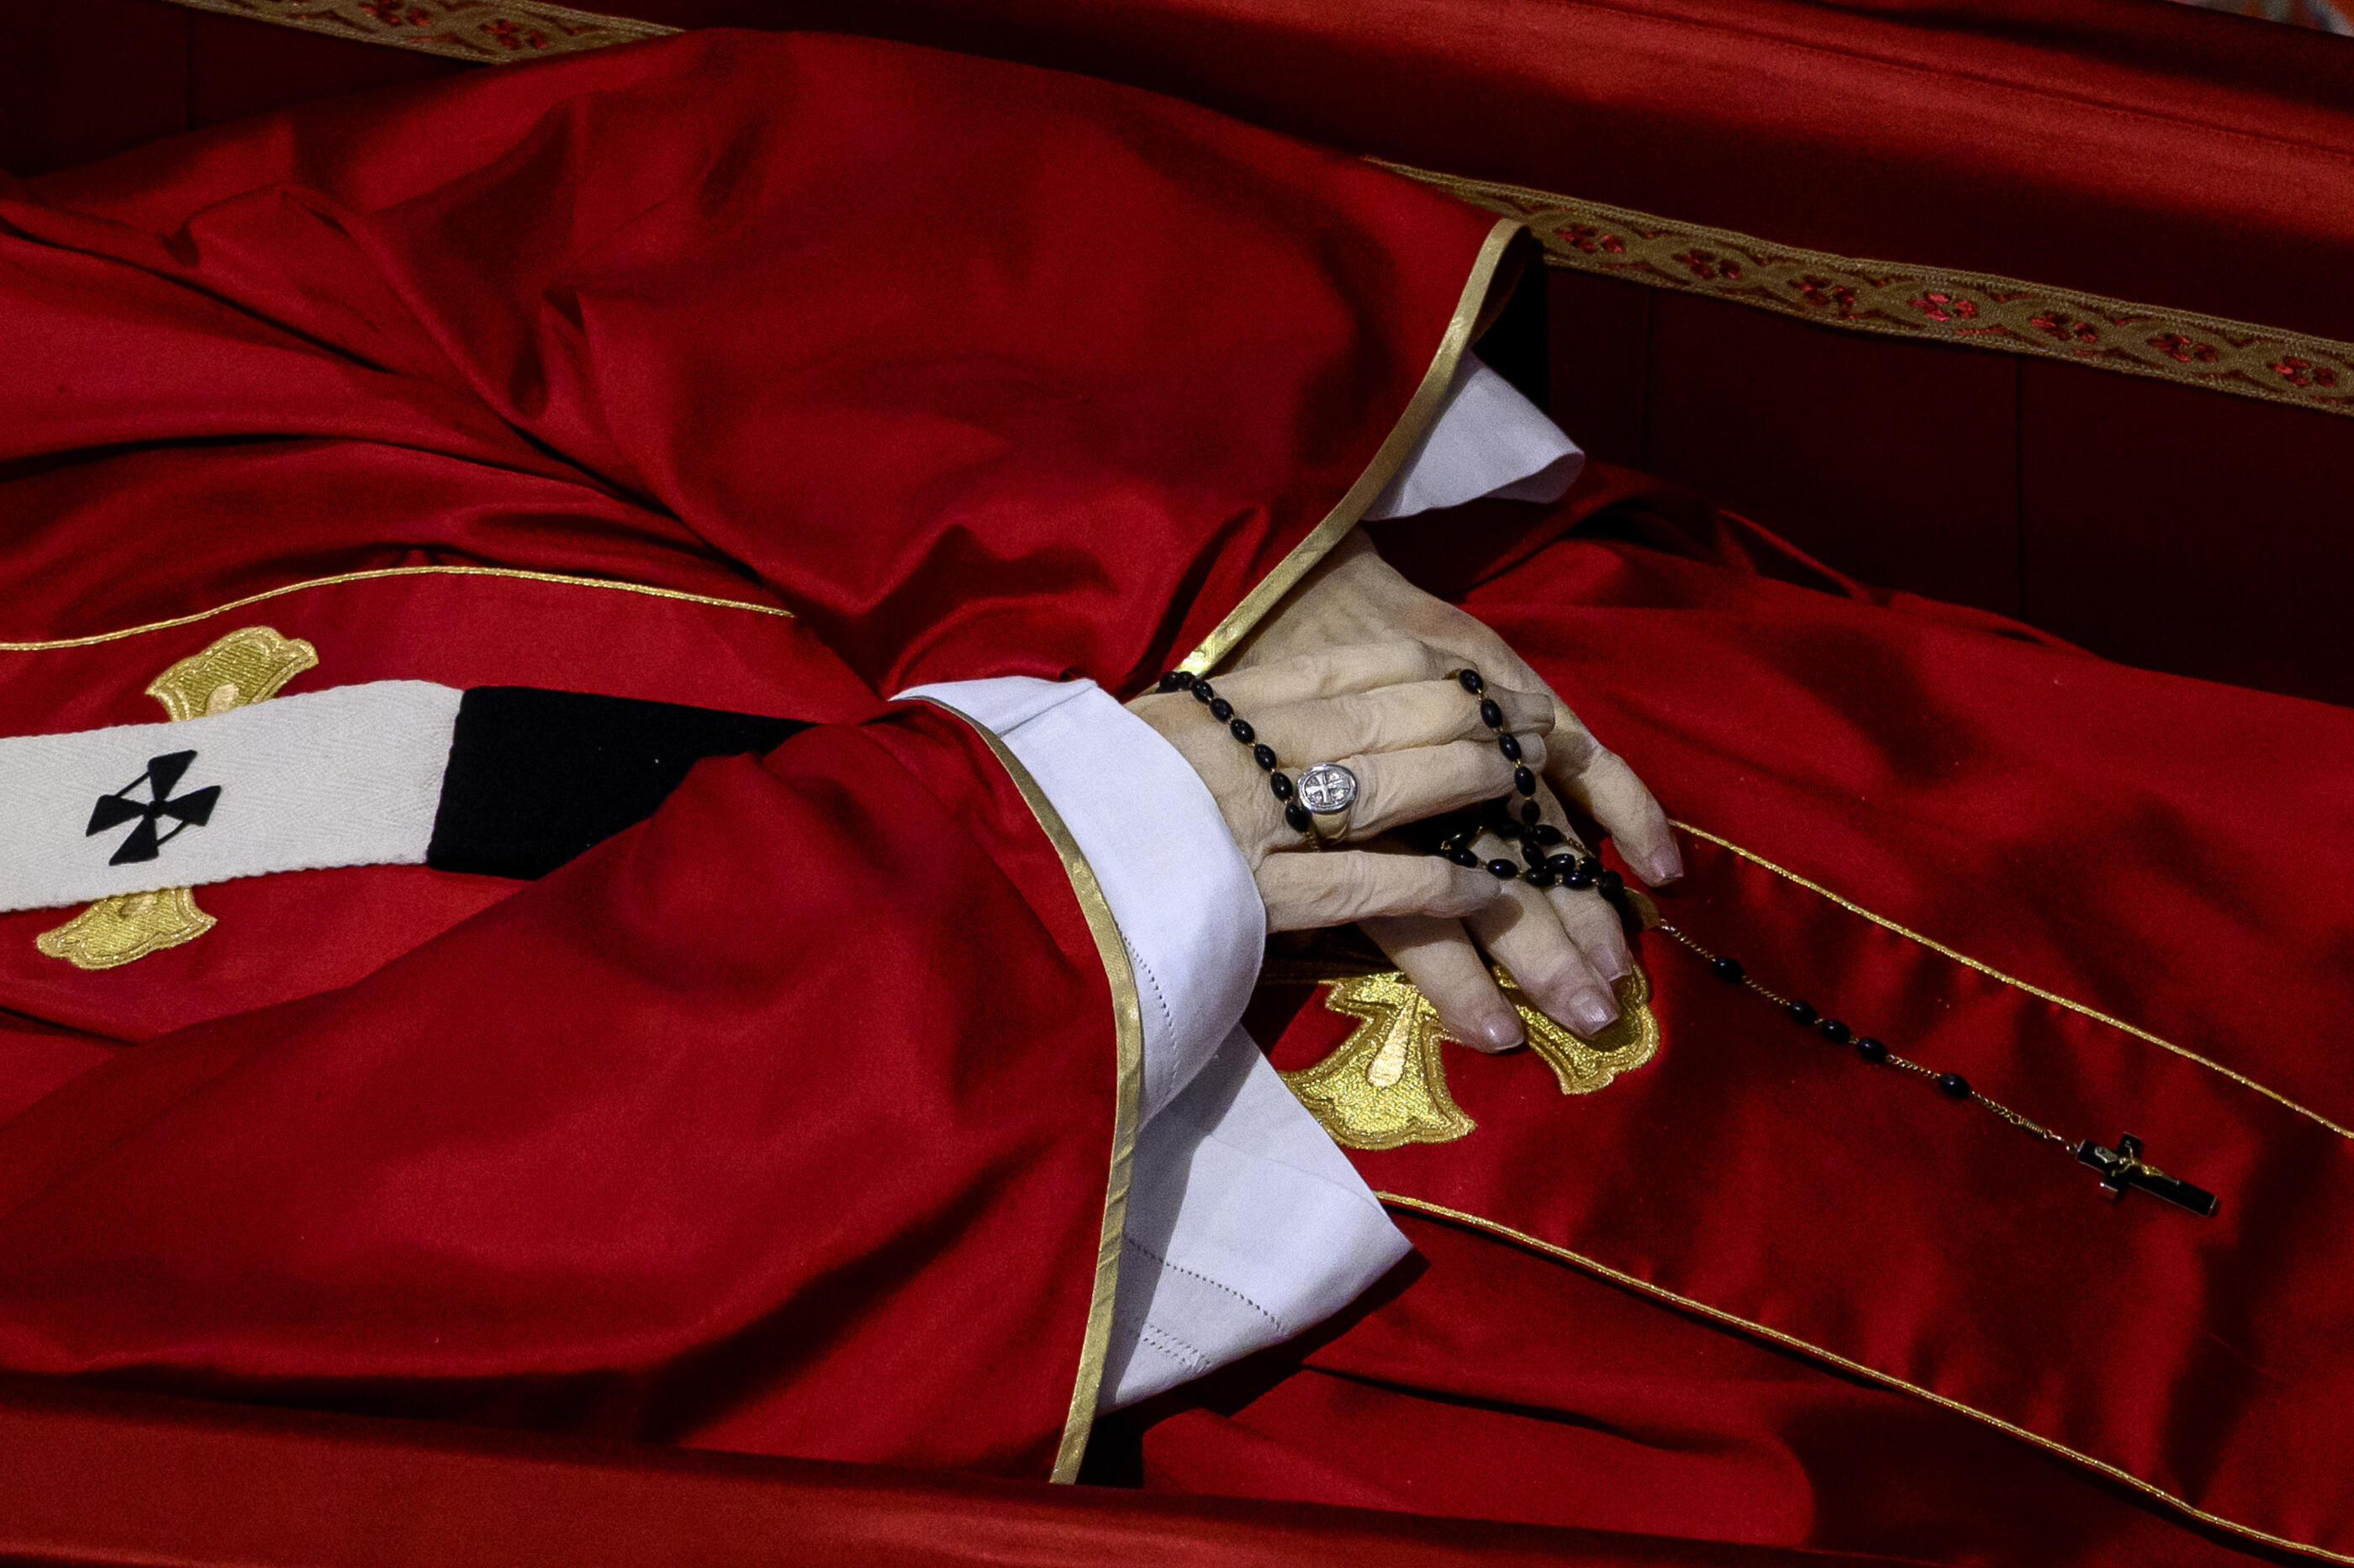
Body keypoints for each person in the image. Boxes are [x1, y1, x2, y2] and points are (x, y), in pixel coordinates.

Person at [3, 25, 2351, 1567]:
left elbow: (556, 213)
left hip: (1571, 745)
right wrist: (1103, 853)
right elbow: (226, 1347)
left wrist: (1225, 570)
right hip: (1194, 1310)